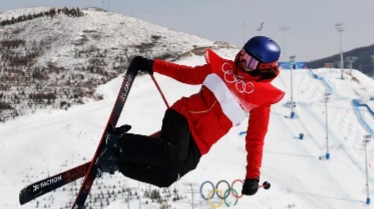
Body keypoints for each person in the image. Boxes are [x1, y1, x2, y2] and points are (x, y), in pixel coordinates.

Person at [97, 36, 286, 191]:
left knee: (167, 177)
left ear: (265, 67)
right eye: (243, 54)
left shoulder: (261, 98)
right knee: (173, 155)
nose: (243, 61)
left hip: (201, 142)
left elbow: (256, 138)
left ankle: (119, 162)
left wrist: (253, 175)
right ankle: (118, 142)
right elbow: (186, 74)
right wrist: (152, 65)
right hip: (184, 116)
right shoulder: (221, 68)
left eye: (251, 61)